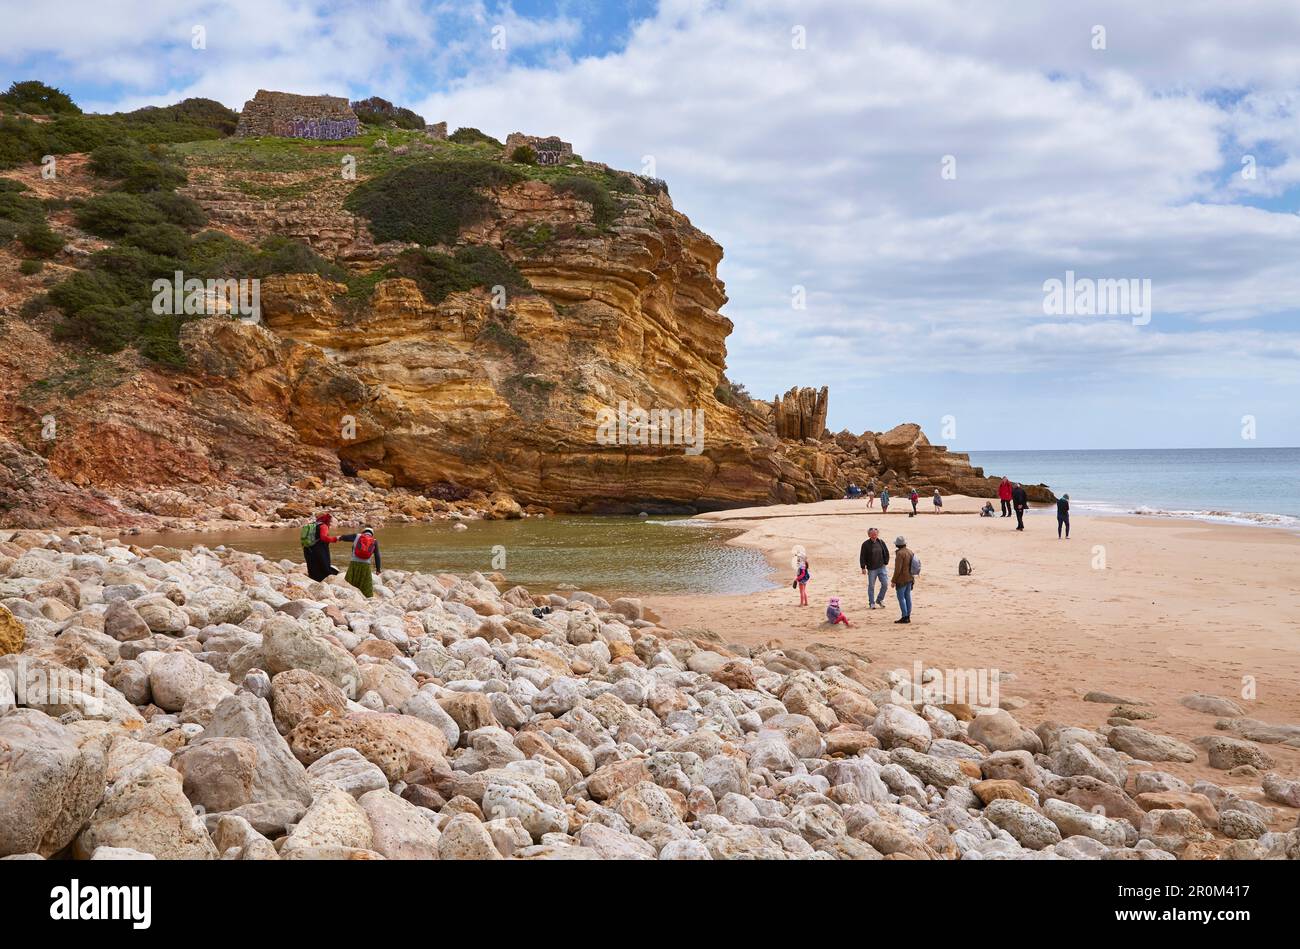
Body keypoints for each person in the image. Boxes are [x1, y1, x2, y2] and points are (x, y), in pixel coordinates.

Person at [301, 512, 346, 581]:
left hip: (308, 548)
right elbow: (323, 537)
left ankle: (313, 578)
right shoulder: (323, 526)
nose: (330, 523)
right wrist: (335, 539)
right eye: (330, 521)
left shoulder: (313, 524)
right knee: (323, 565)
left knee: (312, 565)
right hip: (318, 549)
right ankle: (325, 578)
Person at [343, 527, 382, 597]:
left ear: (363, 533)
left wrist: (337, 538)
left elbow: (346, 541)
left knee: (349, 583)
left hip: (354, 563)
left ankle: (349, 595)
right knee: (366, 585)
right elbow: (377, 556)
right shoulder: (374, 541)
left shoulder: (357, 537)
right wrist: (378, 570)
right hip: (366, 565)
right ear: (372, 534)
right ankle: (367, 597)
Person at [859, 526, 890, 609]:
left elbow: (886, 552)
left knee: (885, 584)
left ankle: (879, 600)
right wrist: (863, 567)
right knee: (871, 586)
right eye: (872, 534)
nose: (874, 536)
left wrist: (886, 562)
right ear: (869, 535)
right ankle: (871, 603)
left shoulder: (881, 542)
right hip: (872, 569)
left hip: (882, 567)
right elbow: (862, 556)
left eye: (875, 534)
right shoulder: (865, 544)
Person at [890, 535, 916, 624]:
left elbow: (898, 569)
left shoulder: (900, 554)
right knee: (908, 597)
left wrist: (893, 580)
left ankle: (904, 616)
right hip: (910, 577)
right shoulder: (910, 552)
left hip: (902, 579)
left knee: (901, 598)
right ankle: (908, 615)